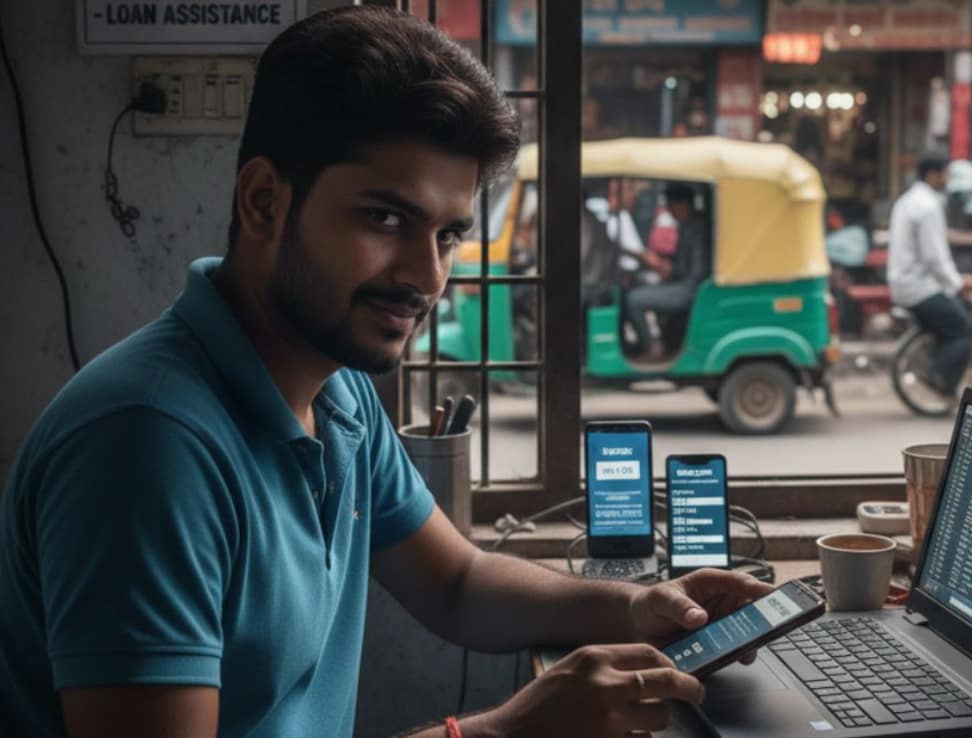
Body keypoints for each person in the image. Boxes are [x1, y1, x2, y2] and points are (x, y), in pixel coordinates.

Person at [0, 9, 772, 738]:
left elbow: (458, 585)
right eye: (384, 219)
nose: (425, 276)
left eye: (449, 235)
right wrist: (504, 729)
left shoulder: (336, 394)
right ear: (265, 201)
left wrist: (640, 607)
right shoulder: (147, 443)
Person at [887, 153, 972, 397]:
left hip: (904, 282)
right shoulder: (928, 206)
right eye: (945, 174)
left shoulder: (907, 200)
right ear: (933, 174)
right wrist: (958, 283)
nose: (948, 179)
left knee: (951, 325)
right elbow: (934, 256)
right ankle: (937, 374)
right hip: (919, 287)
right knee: (966, 329)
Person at [625, 184, 710, 360]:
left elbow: (695, 272)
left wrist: (669, 271)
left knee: (633, 299)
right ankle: (665, 340)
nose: (669, 211)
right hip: (682, 282)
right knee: (640, 283)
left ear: (682, 205)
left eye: (671, 206)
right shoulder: (687, 225)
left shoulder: (696, 229)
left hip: (689, 289)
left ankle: (652, 347)